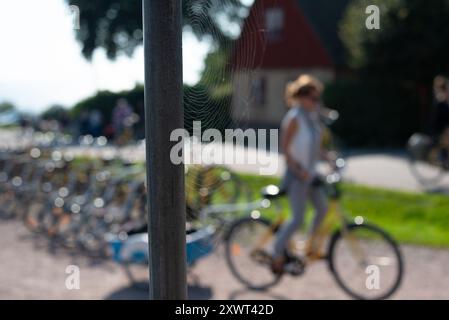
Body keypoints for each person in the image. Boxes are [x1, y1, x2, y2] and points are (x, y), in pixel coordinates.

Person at [270, 74, 332, 274]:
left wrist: (329, 158)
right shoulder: (294, 118)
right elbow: (286, 151)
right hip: (296, 175)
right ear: (302, 97)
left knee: (322, 208)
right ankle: (276, 252)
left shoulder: (311, 118)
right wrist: (299, 171)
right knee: (297, 218)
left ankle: (309, 245)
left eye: (317, 99)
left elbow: (315, 147)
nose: (316, 103)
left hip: (310, 174)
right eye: (313, 99)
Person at [430, 76, 449, 166]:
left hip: (441, 126)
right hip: (440, 128)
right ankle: (443, 159)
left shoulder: (441, 98)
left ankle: (444, 158)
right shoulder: (441, 98)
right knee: (445, 141)